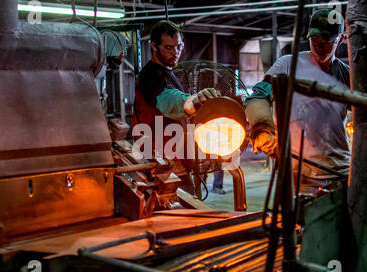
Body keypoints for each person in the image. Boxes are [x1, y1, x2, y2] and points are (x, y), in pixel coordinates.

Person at [244, 9, 351, 194]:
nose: (318, 47)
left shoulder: (346, 75)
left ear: (340, 40)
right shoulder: (288, 65)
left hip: (340, 171)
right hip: (299, 173)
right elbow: (259, 95)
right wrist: (262, 128)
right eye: (314, 41)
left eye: (326, 42)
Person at [134, 20, 219, 195]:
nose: (176, 52)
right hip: (160, 166)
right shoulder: (149, 76)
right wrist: (194, 101)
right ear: (154, 47)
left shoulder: (168, 72)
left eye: (178, 46)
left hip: (177, 162)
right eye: (168, 48)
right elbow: (169, 101)